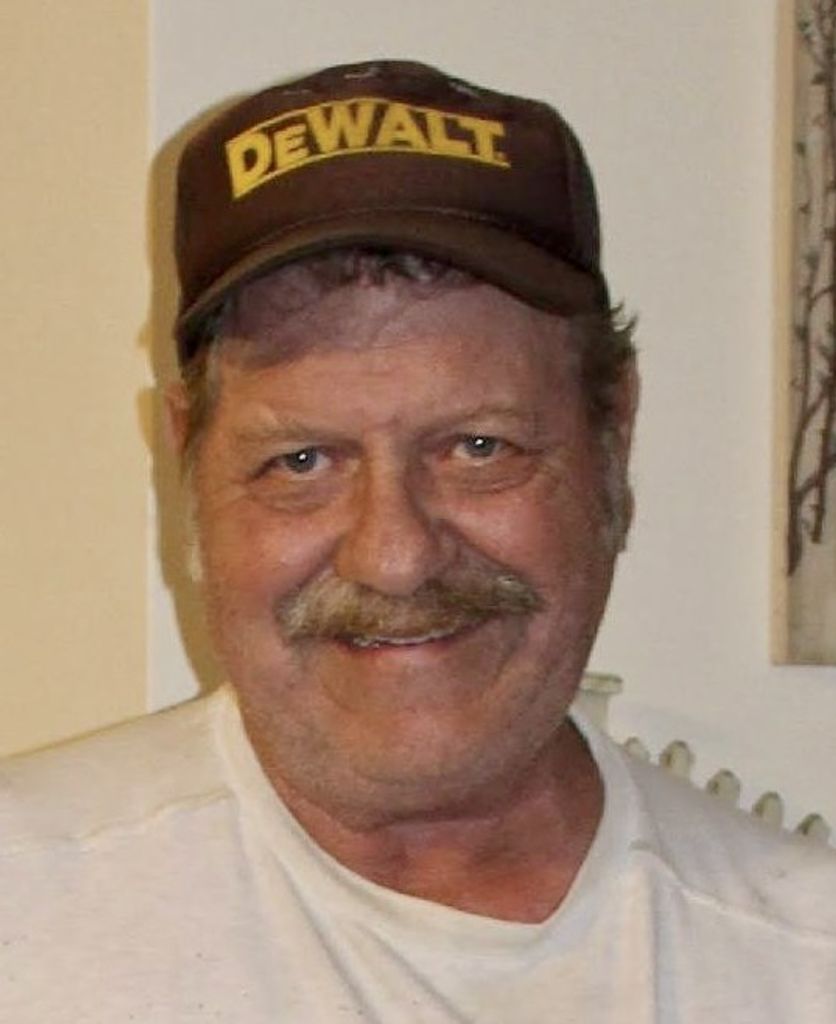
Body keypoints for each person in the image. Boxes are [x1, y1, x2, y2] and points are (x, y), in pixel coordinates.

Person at [1, 60, 835, 1022]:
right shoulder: (27, 917)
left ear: (615, 442)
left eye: (479, 448)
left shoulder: (800, 965)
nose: (394, 557)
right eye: (302, 461)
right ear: (186, 460)